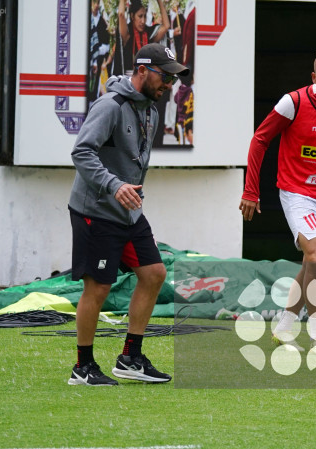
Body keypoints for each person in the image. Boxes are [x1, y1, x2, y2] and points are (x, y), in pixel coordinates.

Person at [68, 43, 190, 385]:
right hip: (96, 210)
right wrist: (114, 185)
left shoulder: (149, 109)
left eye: (172, 78)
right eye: (164, 76)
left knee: (153, 274)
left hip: (128, 212)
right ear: (141, 71)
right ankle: (83, 366)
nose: (169, 84)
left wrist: (129, 189)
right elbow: (81, 151)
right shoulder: (110, 105)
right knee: (99, 288)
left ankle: (130, 358)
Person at [240, 49, 316, 354]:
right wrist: (250, 190)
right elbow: (260, 139)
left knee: (315, 261)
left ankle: (284, 326)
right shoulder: (294, 102)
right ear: (314, 78)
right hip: (297, 192)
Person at [115, 0, 171, 76]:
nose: (143, 21)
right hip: (129, 82)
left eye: (145, 16)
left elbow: (166, 26)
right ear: (132, 16)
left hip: (146, 82)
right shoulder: (128, 34)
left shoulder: (149, 34)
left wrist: (159, 2)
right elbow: (121, 14)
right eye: (140, 16)